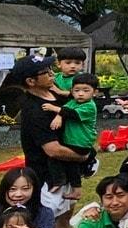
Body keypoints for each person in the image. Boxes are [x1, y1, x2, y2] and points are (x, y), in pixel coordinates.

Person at [15, 54, 90, 228]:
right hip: (46, 176)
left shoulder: (57, 95)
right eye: (46, 72)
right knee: (43, 224)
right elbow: (53, 150)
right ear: (31, 81)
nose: (52, 74)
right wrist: (84, 155)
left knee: (65, 216)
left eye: (51, 69)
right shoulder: (33, 110)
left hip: (67, 171)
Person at [42, 71, 99, 205]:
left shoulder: (90, 106)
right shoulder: (73, 102)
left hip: (81, 142)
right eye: (77, 90)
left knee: (55, 157)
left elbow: (70, 113)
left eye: (86, 90)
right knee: (71, 165)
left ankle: (60, 181)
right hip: (71, 141)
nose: (80, 94)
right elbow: (66, 108)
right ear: (71, 91)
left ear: (94, 92)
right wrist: (59, 116)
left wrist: (53, 109)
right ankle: (77, 186)